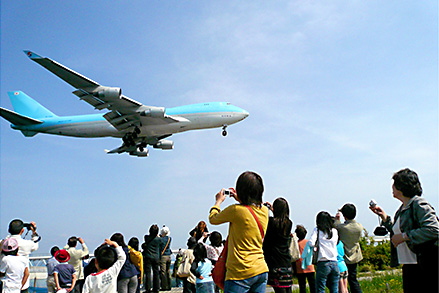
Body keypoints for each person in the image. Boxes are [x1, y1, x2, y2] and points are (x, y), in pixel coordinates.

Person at [370, 168, 439, 292]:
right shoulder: (403, 208)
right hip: (410, 264)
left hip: (424, 265)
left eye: (394, 183)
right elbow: (398, 231)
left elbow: (434, 229)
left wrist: (404, 236)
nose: (392, 187)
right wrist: (384, 217)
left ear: (401, 186)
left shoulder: (418, 204)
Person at [209, 171, 269, 293]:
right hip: (261, 269)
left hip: (240, 272)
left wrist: (218, 202)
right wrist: (241, 199)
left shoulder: (236, 210)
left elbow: (213, 219)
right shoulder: (265, 211)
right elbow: (250, 211)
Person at [262, 197, 293, 293]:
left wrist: (265, 209)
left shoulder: (270, 223)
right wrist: (273, 210)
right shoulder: (289, 223)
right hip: (286, 262)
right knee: (287, 289)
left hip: (274, 262)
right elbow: (280, 220)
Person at [2, 219, 40, 292]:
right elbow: (35, 244)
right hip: (23, 284)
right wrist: (34, 231)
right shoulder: (27, 244)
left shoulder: (3, 242)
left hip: (5, 285)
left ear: (9, 230)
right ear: (22, 231)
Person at [334, 204, 363, 293]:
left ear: (344, 215)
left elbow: (336, 227)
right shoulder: (359, 227)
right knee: (353, 279)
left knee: (344, 281)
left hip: (344, 257)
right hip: (355, 255)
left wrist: (337, 220)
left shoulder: (341, 227)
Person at [309, 211, 339, 293]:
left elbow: (311, 243)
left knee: (320, 289)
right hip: (335, 262)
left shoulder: (317, 230)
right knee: (334, 289)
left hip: (323, 262)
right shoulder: (334, 231)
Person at [294, 225, 315, 293]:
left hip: (300, 267)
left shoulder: (296, 244)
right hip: (310, 266)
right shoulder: (309, 242)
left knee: (302, 286)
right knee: (313, 286)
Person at [142, 224, 161, 293]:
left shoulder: (146, 237)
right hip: (156, 257)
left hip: (148, 256)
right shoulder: (159, 239)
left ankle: (148, 288)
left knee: (148, 273)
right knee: (156, 273)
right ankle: (157, 288)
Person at [159, 226, 172, 291]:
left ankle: (164, 286)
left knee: (163, 272)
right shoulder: (169, 238)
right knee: (168, 271)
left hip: (163, 256)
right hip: (169, 255)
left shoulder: (161, 239)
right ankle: (169, 285)